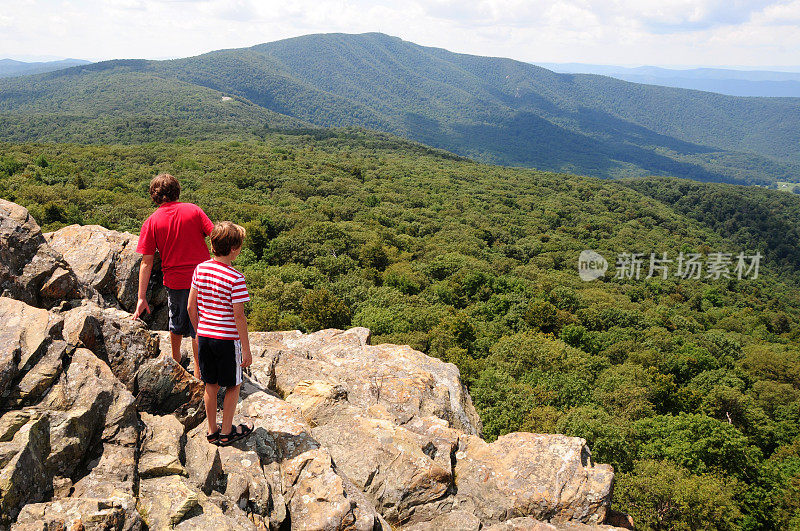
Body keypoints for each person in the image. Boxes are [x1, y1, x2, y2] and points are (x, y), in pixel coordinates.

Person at [133, 173, 214, 377]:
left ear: (154, 196)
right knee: (199, 325)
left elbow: (146, 262)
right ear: (177, 191)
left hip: (175, 281)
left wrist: (141, 297)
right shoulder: (193, 210)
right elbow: (215, 236)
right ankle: (198, 371)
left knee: (176, 321)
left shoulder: (151, 222)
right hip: (203, 278)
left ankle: (176, 360)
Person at [187, 221, 254, 446]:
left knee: (211, 386)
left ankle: (211, 430)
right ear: (234, 249)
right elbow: (239, 316)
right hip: (226, 341)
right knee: (233, 386)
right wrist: (245, 349)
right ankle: (226, 433)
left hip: (204, 337)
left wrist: (200, 330)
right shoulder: (236, 278)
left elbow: (190, 307)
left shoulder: (200, 269)